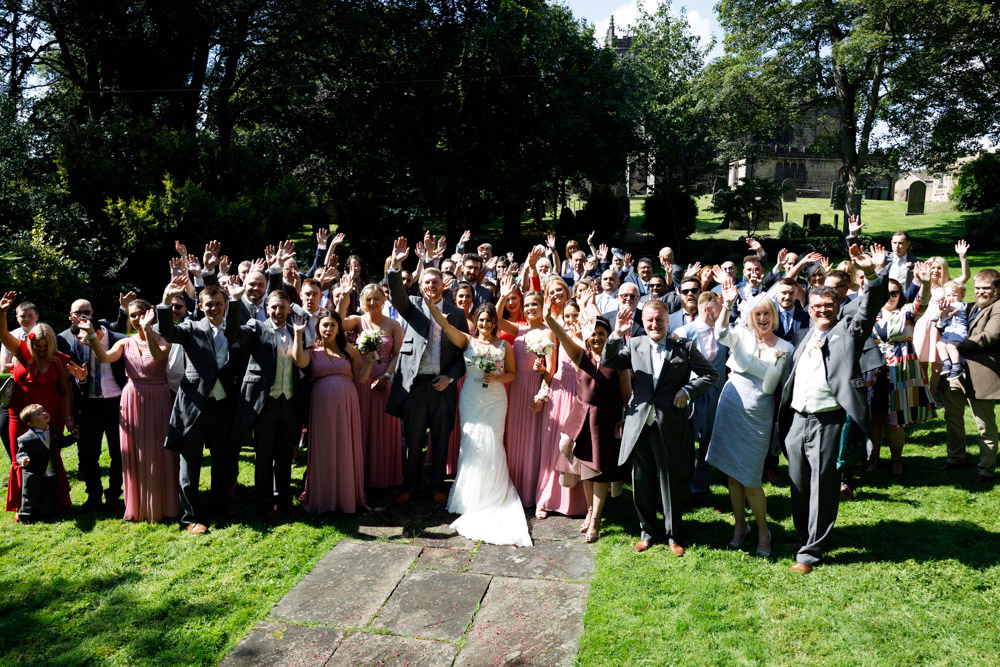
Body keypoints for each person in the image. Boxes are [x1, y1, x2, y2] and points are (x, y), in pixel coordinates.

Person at [777, 244, 885, 574]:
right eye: (817, 306)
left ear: (837, 306)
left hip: (828, 422)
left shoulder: (847, 332)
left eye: (828, 305)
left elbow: (868, 310)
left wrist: (873, 274)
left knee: (824, 487)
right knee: (797, 482)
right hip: (797, 419)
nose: (823, 310)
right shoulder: (800, 335)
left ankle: (811, 553)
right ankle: (802, 535)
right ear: (807, 309)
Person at [601, 299, 720, 556]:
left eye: (660, 319)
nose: (655, 324)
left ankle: (674, 534)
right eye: (650, 320)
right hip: (640, 423)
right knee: (641, 480)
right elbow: (609, 361)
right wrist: (617, 334)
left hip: (669, 424)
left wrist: (688, 390)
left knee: (669, 480)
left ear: (668, 320)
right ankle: (647, 532)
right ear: (643, 322)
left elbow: (710, 374)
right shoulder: (634, 344)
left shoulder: (683, 346)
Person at [424, 297, 530, 547]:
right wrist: (432, 307)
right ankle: (470, 498)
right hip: (471, 398)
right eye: (481, 319)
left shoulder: (504, 346)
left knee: (492, 443)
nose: (484, 323)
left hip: (495, 399)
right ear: (476, 321)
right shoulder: (467, 340)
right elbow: (446, 327)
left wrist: (496, 377)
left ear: (495, 323)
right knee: (472, 446)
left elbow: (512, 374)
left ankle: (493, 495)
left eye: (489, 320)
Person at [709, 279, 794, 557]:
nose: (762, 318)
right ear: (750, 317)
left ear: (775, 316)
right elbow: (720, 333)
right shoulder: (741, 335)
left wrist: (778, 361)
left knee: (751, 479)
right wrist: (728, 303)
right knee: (733, 476)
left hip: (759, 415)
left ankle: (763, 532)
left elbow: (772, 388)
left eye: (767, 313)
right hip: (732, 405)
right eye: (757, 314)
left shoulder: (786, 348)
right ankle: (739, 527)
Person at [79, 299, 180, 523]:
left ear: (150, 314)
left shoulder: (164, 339)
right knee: (137, 452)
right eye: (132, 315)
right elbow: (104, 357)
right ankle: (140, 504)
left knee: (160, 450)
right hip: (132, 397)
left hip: (159, 397)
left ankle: (165, 503)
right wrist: (92, 335)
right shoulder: (125, 343)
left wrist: (147, 330)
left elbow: (157, 356)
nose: (136, 319)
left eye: (140, 314)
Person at [385, 237, 468, 505]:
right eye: (427, 282)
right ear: (421, 286)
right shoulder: (413, 307)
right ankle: (410, 486)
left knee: (440, 439)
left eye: (435, 282)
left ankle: (436, 487)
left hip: (442, 385)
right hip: (415, 385)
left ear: (444, 284)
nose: (431, 285)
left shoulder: (456, 314)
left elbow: (464, 353)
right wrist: (396, 265)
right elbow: (396, 294)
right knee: (413, 440)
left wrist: (451, 377)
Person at [155, 285, 241, 534]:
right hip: (193, 405)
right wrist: (165, 300)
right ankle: (191, 517)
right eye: (209, 304)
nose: (214, 308)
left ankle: (220, 506)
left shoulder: (235, 329)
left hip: (223, 405)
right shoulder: (191, 328)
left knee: (222, 461)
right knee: (190, 464)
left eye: (218, 303)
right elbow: (167, 331)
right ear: (200, 306)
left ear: (225, 305)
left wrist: (236, 297)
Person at [545, 309, 629, 543]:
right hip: (581, 419)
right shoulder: (581, 356)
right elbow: (561, 336)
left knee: (599, 472)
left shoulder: (618, 361)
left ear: (608, 335)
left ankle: (597, 519)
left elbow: (626, 395)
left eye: (601, 333)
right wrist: (550, 318)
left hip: (605, 421)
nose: (597, 337)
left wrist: (626, 421)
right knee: (583, 471)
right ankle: (590, 510)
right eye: (593, 334)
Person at [225, 286, 304, 520]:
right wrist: (235, 300)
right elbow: (232, 332)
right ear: (266, 308)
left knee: (284, 456)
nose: (277, 311)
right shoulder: (256, 327)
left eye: (282, 307)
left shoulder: (295, 330)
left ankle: (283, 501)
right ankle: (264, 505)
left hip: (289, 402)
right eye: (273, 307)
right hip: (265, 403)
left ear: (289, 309)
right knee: (264, 456)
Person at [1, 292, 79, 517]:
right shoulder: (22, 351)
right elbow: (3, 333)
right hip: (19, 415)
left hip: (49, 415)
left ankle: (53, 501)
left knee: (49, 457)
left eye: (46, 345)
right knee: (20, 457)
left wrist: (68, 418)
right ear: (31, 341)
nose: (41, 349)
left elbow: (66, 391)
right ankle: (24, 505)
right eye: (38, 345)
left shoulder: (60, 360)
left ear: (52, 342)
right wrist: (2, 312)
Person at [292, 311, 372, 513]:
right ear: (318, 327)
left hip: (347, 402)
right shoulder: (312, 350)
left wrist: (369, 361)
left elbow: (361, 378)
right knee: (324, 444)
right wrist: (298, 335)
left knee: (345, 443)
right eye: (324, 325)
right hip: (321, 403)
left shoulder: (350, 350)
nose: (328, 329)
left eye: (332, 325)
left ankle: (345, 496)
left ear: (339, 329)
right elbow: (299, 362)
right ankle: (325, 496)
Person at [57, 298, 128, 510]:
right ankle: (94, 495)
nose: (81, 341)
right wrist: (81, 378)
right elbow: (79, 380)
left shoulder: (120, 340)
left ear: (98, 333)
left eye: (85, 337)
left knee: (118, 453)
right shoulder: (78, 344)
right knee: (88, 454)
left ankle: (114, 494)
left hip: (118, 403)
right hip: (90, 405)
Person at [865, 271, 935, 476]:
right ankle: (874, 458)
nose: (890, 297)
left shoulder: (906, 313)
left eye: (894, 293)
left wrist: (926, 283)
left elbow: (922, 302)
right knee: (875, 419)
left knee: (895, 421)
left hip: (900, 373)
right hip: (873, 373)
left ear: (900, 295)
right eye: (886, 293)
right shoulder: (870, 312)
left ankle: (896, 461)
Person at [496, 278, 554, 507]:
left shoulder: (549, 333)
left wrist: (541, 390)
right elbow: (498, 320)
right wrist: (502, 296)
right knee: (512, 436)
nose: (530, 309)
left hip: (531, 388)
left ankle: (529, 491)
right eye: (527, 305)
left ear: (542, 308)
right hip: (514, 386)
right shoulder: (519, 329)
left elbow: (551, 369)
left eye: (534, 305)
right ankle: (511, 487)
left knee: (530, 439)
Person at [339, 283, 403, 489]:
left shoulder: (393, 325)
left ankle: (383, 476)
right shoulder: (358, 321)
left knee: (384, 426)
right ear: (363, 302)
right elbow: (338, 323)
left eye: (377, 298)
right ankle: (361, 476)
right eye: (368, 299)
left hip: (385, 379)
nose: (373, 302)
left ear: (383, 301)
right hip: (363, 377)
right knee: (363, 425)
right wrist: (344, 296)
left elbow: (398, 355)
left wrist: (387, 376)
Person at [941, 269, 1000, 486]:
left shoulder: (998, 307)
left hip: (982, 373)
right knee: (953, 418)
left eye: (986, 288)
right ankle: (956, 458)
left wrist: (956, 345)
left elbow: (990, 336)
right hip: (958, 371)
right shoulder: (971, 306)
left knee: (984, 425)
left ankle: (986, 469)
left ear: (997, 289)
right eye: (977, 288)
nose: (981, 292)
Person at [672, 291, 729, 506]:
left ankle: (700, 490)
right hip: (688, 397)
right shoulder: (683, 332)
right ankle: (678, 487)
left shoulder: (725, 332)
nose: (724, 311)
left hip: (716, 396)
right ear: (708, 309)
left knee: (709, 444)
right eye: (720, 307)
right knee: (684, 444)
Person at [14, 404, 59, 523]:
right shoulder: (25, 439)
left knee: (49, 494)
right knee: (30, 496)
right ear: (31, 423)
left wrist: (75, 436)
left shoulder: (54, 430)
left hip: (51, 471)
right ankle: (25, 516)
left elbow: (61, 442)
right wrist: (23, 459)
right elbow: (20, 453)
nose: (44, 413)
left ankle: (46, 515)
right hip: (34, 473)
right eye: (39, 414)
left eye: (44, 410)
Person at [935, 281, 970, 380]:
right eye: (948, 295)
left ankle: (957, 367)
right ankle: (947, 364)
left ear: (962, 296)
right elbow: (941, 321)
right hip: (948, 331)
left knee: (950, 346)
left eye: (955, 295)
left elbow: (942, 312)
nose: (951, 298)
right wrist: (941, 315)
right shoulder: (948, 307)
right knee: (940, 345)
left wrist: (940, 311)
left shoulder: (960, 305)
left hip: (959, 331)